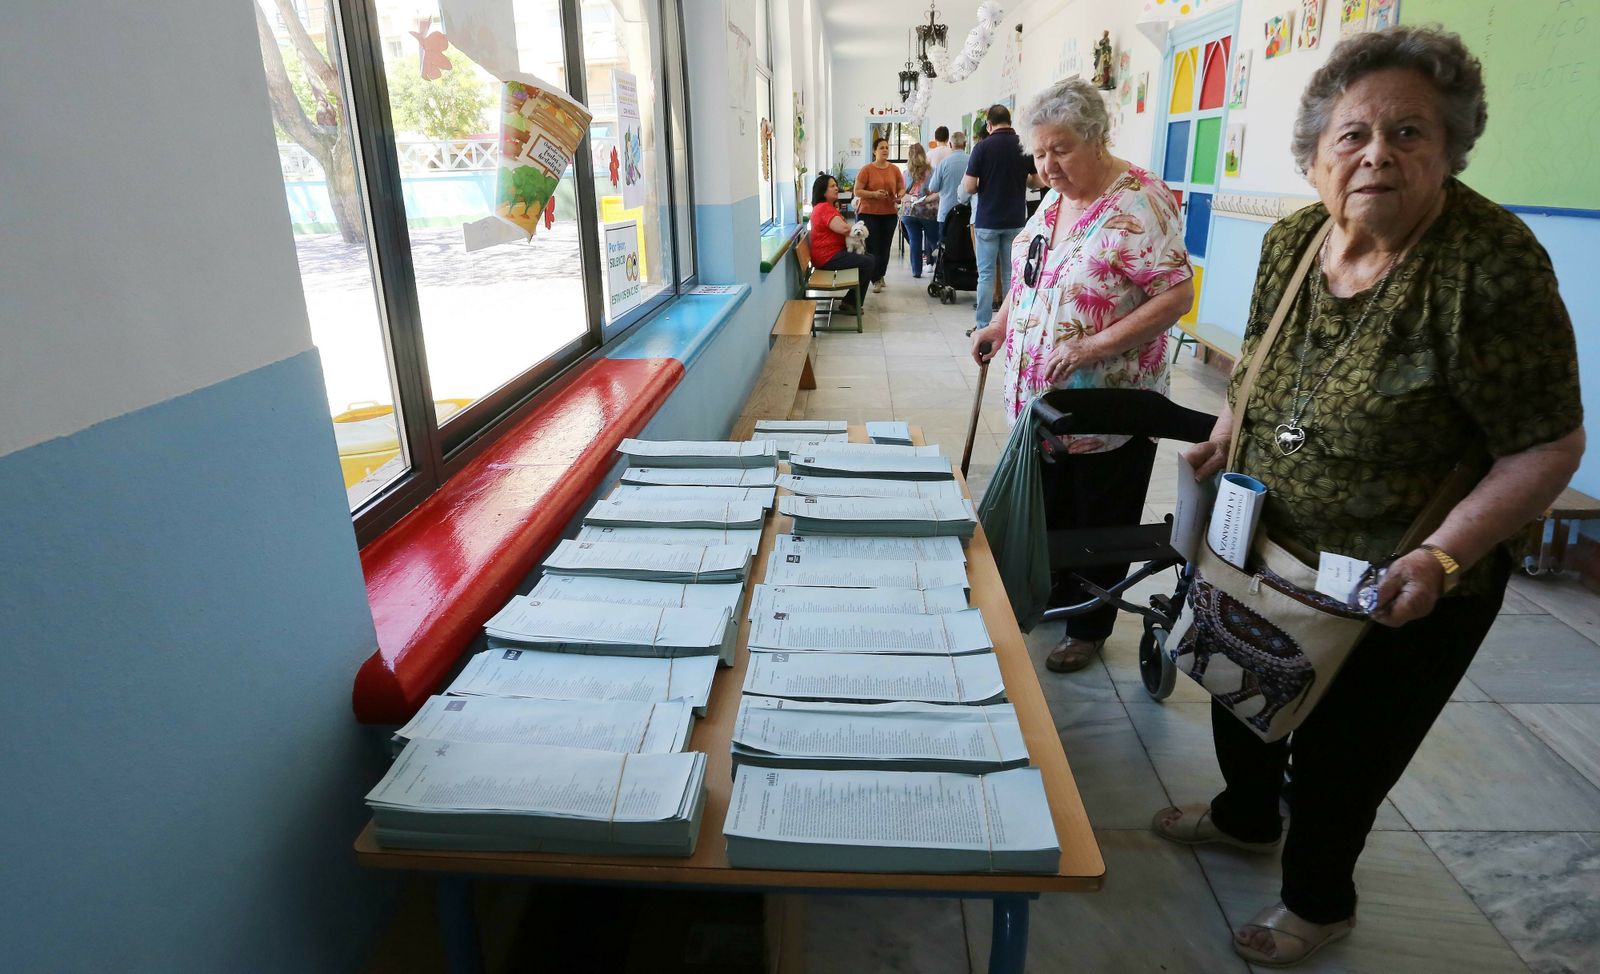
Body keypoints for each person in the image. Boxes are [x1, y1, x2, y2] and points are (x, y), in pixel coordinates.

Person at [1150, 27, 1583, 967]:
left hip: (1401, 578)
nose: (1378, 153)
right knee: (1240, 690)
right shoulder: (1295, 239)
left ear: (1451, 148)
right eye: (1353, 135)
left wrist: (1442, 557)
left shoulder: (1490, 267)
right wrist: (1226, 435)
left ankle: (1318, 901)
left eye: (1410, 133)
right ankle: (1243, 815)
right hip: (1263, 541)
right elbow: (1261, 361)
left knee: (1345, 757)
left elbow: (1547, 444)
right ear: (1314, 158)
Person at [969, 77, 1194, 673]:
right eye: (1038, 153)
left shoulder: (1139, 201)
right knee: (1050, 512)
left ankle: (1089, 626)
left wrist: (1096, 344)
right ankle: (1053, 599)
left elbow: (1175, 297)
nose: (1046, 166)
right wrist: (998, 323)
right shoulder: (1056, 198)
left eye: (1060, 149)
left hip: (1108, 406)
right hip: (1040, 404)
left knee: (1098, 519)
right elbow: (1030, 277)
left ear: (1097, 137)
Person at [963, 104, 1038, 327]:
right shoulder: (1023, 146)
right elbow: (1038, 180)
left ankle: (983, 325)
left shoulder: (982, 148)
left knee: (986, 276)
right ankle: (1009, 324)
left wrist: (984, 184)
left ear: (989, 124)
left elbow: (968, 186)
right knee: (1010, 275)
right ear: (1009, 121)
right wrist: (1020, 180)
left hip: (987, 220)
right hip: (1015, 219)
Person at [808, 173, 874, 312]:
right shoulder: (823, 208)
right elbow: (843, 228)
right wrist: (859, 229)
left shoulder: (826, 207)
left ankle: (850, 301)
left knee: (869, 258)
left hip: (831, 254)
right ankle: (850, 303)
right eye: (832, 186)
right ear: (823, 191)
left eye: (836, 185)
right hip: (827, 257)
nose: (836, 188)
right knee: (868, 262)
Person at [854, 138, 905, 293]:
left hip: (889, 214)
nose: (885, 150)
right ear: (874, 151)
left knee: (885, 247)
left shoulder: (894, 169)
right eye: (881, 148)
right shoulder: (866, 170)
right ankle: (875, 278)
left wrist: (899, 196)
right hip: (869, 213)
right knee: (873, 246)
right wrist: (874, 194)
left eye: (886, 148)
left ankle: (880, 274)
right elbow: (857, 191)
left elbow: (901, 188)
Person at [900, 143, 941, 279]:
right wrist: (926, 200)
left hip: (909, 212)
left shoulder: (905, 174)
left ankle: (916, 271)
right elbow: (938, 192)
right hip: (929, 212)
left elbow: (900, 194)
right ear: (924, 154)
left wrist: (911, 199)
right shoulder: (932, 171)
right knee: (934, 240)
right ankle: (940, 269)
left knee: (914, 240)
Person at [925, 130, 972, 234]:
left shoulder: (944, 163)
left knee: (945, 246)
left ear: (950, 144)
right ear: (965, 144)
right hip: (968, 212)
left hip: (946, 212)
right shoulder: (972, 160)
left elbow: (933, 187)